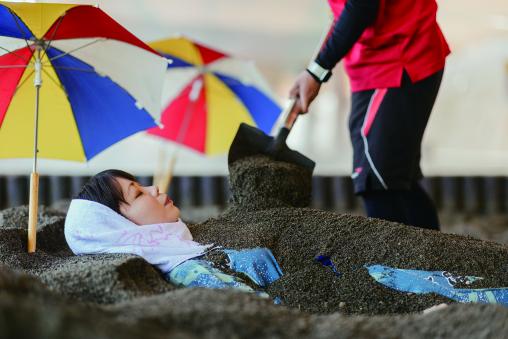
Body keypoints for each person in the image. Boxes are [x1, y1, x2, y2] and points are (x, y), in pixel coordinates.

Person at [289, 0, 450, 230]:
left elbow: (362, 6)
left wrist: (317, 71)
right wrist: (314, 69)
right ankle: (437, 262)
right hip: (376, 62)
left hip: (399, 58)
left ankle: (395, 264)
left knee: (377, 182)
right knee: (397, 181)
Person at [64, 169, 283, 298]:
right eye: (138, 194)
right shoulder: (188, 271)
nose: (154, 189)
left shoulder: (185, 248)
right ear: (121, 227)